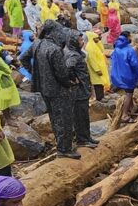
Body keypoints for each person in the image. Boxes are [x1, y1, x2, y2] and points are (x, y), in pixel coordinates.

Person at [34, 20, 79, 158]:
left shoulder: (39, 44)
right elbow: (62, 74)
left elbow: (25, 59)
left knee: (54, 118)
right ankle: (65, 149)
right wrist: (70, 83)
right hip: (58, 90)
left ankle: (61, 145)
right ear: (53, 32)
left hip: (45, 89)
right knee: (64, 119)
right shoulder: (54, 49)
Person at [63, 32, 96, 148]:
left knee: (84, 115)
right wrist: (74, 79)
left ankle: (87, 137)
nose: (82, 43)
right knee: (80, 116)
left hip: (83, 90)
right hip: (78, 91)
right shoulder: (73, 55)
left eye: (82, 40)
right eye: (80, 41)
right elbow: (67, 68)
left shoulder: (77, 53)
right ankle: (82, 139)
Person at [109, 31, 138, 123]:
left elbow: (112, 57)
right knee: (129, 94)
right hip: (127, 76)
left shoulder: (116, 48)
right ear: (128, 37)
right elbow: (135, 64)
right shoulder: (129, 50)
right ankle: (124, 115)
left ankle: (132, 108)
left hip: (117, 75)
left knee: (128, 92)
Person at [84, 31, 108, 102]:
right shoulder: (90, 47)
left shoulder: (95, 45)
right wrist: (97, 70)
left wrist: (98, 42)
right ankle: (99, 97)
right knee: (98, 84)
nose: (98, 39)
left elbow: (102, 49)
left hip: (100, 66)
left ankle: (102, 96)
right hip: (95, 69)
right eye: (96, 38)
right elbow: (92, 60)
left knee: (101, 83)